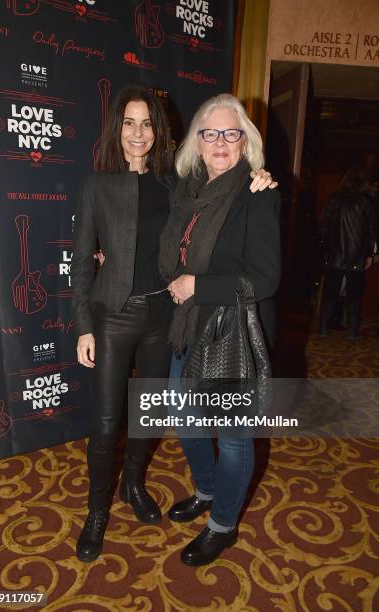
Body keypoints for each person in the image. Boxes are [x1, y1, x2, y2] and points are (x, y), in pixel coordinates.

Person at [71, 85, 276, 563]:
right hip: (120, 317)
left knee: (156, 414)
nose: (138, 133)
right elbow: (85, 261)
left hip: (170, 317)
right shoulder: (107, 186)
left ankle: (139, 489)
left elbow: (232, 260)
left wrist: (260, 178)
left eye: (146, 123)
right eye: (128, 123)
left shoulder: (180, 186)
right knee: (109, 423)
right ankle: (96, 512)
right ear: (116, 129)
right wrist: (83, 322)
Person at [159, 93, 281, 566]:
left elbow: (265, 279)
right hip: (187, 328)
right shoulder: (185, 192)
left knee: (233, 436)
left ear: (245, 142)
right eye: (210, 133)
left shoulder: (258, 192)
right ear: (197, 142)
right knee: (184, 418)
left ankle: (223, 524)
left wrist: (197, 285)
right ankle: (208, 490)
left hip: (231, 333)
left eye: (232, 133)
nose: (221, 142)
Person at [318, 166, 377, 339]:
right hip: (357, 255)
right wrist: (369, 254)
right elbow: (371, 231)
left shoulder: (334, 198)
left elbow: (323, 226)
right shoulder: (366, 202)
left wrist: (326, 249)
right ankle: (352, 331)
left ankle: (323, 328)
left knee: (331, 292)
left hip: (334, 253)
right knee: (354, 294)